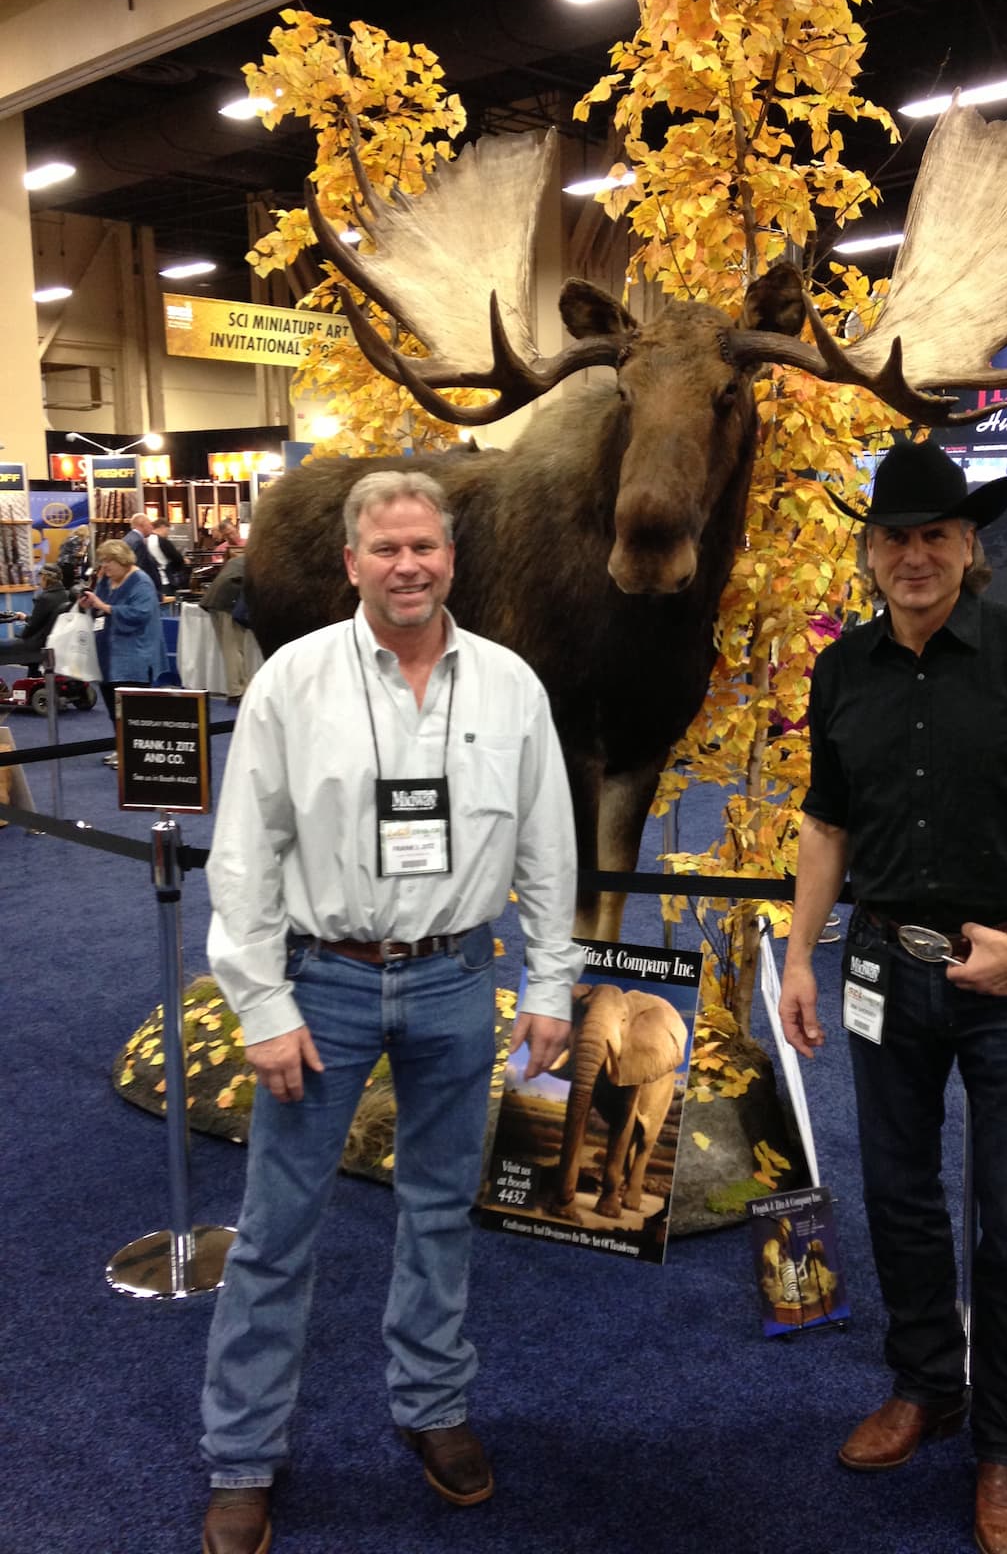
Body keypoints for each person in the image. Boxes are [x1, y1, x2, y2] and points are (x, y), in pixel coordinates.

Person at [200, 468, 582, 1554]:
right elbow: (244, 857)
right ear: (351, 563)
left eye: (425, 547)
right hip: (322, 982)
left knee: (438, 1212)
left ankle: (433, 1406)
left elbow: (551, 848)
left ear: (450, 560)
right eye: (387, 549)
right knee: (276, 1231)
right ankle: (241, 1456)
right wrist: (264, 1002)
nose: (408, 565)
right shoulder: (294, 683)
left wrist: (548, 983)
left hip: (458, 980)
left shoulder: (510, 684)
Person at [778, 440, 1007, 1554]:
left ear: (970, 546)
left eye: (936, 535)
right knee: (902, 1198)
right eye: (895, 538)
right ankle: (925, 1387)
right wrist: (797, 958)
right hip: (883, 969)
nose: (914, 556)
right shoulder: (843, 670)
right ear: (871, 554)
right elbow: (827, 825)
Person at [78, 539, 168, 765]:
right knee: (112, 707)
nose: (105, 568)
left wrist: (105, 606)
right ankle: (122, 748)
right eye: (103, 563)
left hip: (135, 657)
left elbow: (140, 614)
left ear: (123, 560)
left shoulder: (141, 582)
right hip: (109, 654)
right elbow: (98, 606)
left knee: (133, 710)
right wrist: (89, 604)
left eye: (109, 563)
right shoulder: (107, 581)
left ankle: (134, 753)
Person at [199, 551, 251, 702]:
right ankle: (236, 692)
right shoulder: (261, 563)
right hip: (228, 603)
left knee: (230, 648)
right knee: (234, 649)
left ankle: (240, 688)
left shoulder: (241, 559)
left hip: (214, 601)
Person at [0, 564, 70, 670]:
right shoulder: (65, 595)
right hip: (51, 640)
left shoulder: (45, 598)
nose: (39, 581)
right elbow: (42, 620)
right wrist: (25, 618)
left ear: (45, 577)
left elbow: (31, 628)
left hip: (37, 644)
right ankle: (33, 674)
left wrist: (21, 637)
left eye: (40, 577)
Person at [123, 511, 164, 590]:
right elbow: (138, 568)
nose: (152, 527)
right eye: (149, 524)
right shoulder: (137, 542)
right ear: (142, 525)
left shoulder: (127, 538)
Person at [147, 516, 190, 592]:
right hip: (165, 579)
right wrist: (183, 561)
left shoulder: (146, 539)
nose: (168, 533)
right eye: (167, 530)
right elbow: (177, 558)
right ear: (162, 527)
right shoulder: (162, 541)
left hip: (151, 578)